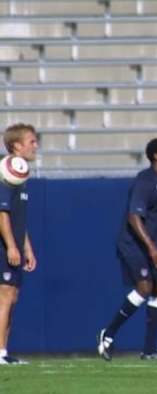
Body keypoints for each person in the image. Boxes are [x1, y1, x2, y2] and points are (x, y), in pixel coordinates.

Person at [97, 138, 157, 361]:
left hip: (149, 244)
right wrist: (152, 249)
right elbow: (134, 217)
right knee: (144, 287)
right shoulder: (146, 181)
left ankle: (150, 350)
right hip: (133, 245)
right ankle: (109, 333)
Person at [0, 123, 38, 365]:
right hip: (4, 246)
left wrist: (27, 249)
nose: (36, 146)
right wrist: (12, 246)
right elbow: (2, 214)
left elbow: (18, 218)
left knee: (13, 297)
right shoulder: (6, 174)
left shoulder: (21, 176)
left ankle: (4, 351)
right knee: (4, 296)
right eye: (31, 141)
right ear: (16, 145)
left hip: (14, 244)